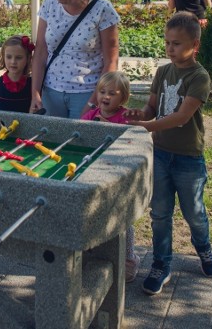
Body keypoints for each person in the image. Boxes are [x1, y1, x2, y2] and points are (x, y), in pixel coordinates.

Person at [125, 12, 212, 295]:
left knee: (194, 213)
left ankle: (203, 248)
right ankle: (161, 264)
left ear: (195, 46)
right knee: (161, 213)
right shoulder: (163, 72)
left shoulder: (199, 76)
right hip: (162, 155)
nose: (170, 48)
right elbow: (152, 109)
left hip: (188, 158)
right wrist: (137, 114)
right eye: (167, 43)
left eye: (177, 43)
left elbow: (180, 117)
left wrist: (144, 125)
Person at [31, 0, 120, 119]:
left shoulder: (102, 10)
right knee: (48, 142)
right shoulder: (49, 5)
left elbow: (111, 61)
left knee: (79, 143)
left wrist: (94, 102)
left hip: (86, 93)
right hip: (51, 92)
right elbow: (41, 51)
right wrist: (35, 93)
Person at [79, 71, 141, 283]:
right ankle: (91, 252)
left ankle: (129, 258)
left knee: (123, 218)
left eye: (112, 93)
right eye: (102, 92)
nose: (105, 96)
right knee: (93, 213)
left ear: (123, 98)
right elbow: (80, 135)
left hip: (117, 175)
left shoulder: (125, 117)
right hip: (93, 174)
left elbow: (134, 141)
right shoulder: (90, 116)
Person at [0, 35, 34, 113]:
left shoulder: (33, 86)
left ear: (28, 58)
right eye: (9, 57)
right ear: (3, 57)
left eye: (19, 57)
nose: (13, 62)